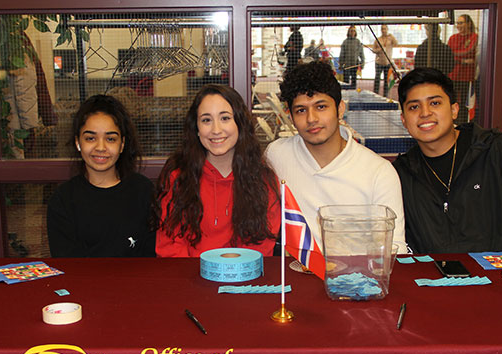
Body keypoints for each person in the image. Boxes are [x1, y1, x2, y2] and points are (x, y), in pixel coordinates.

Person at [393, 67, 502, 254]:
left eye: (435, 103)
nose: (425, 113)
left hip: (501, 278)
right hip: (433, 281)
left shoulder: (496, 152)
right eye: (414, 107)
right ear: (404, 120)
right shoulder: (402, 174)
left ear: (454, 110)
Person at [266, 61, 406, 252]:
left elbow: (394, 248)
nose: (311, 118)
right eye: (301, 110)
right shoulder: (276, 155)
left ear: (340, 109)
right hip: (296, 274)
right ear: (290, 116)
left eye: (321, 107)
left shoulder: (379, 172)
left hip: (355, 278)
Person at [155, 84, 280, 257]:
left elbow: (260, 246)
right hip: (188, 278)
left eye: (225, 118)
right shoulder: (178, 177)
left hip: (242, 279)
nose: (216, 130)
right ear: (196, 129)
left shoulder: (263, 180)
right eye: (206, 120)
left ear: (240, 124)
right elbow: (169, 245)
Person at [47, 94, 155, 257]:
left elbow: (151, 256)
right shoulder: (63, 199)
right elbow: (66, 263)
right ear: (78, 142)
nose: (100, 147)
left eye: (110, 139)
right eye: (90, 138)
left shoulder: (144, 191)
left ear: (122, 144)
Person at [448, 14, 478, 123]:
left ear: (468, 24)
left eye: (461, 23)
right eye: (457, 23)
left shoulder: (475, 37)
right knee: (453, 102)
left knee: (465, 105)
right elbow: (449, 54)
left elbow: (469, 51)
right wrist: (464, 61)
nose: (458, 26)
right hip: (453, 76)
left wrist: (457, 57)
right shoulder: (453, 38)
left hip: (467, 78)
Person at [370, 25, 398, 96]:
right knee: (377, 79)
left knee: (386, 80)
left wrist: (393, 37)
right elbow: (373, 50)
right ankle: (375, 94)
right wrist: (379, 50)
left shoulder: (390, 38)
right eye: (382, 29)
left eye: (385, 29)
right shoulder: (378, 39)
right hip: (379, 62)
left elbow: (396, 44)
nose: (383, 30)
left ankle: (385, 95)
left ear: (387, 29)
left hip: (387, 62)